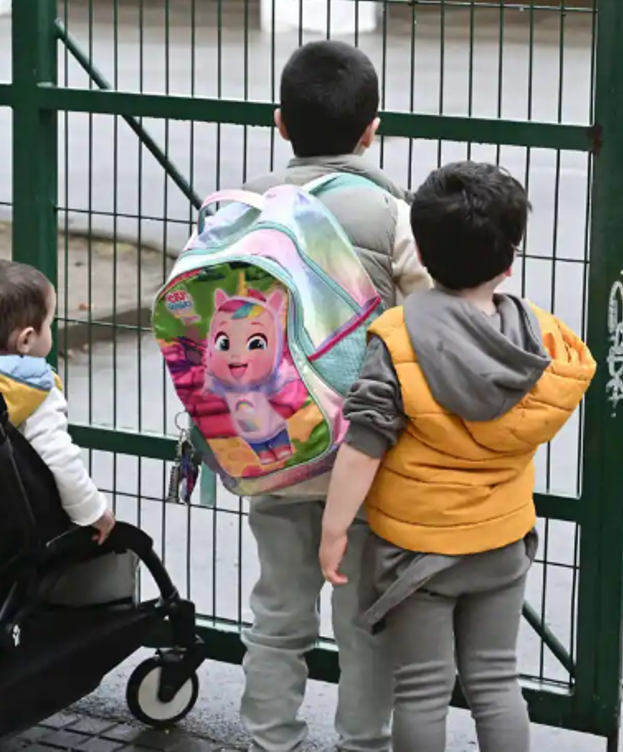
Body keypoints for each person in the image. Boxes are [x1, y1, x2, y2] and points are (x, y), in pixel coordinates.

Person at [318, 162, 596, 752]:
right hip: (501, 543)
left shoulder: (397, 338)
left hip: (420, 552)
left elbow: (365, 443)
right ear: (509, 260)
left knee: (421, 689)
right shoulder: (536, 338)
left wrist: (335, 527)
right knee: (497, 683)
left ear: (418, 250)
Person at [239, 40, 432, 752]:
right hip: (365, 455)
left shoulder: (246, 203)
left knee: (277, 617)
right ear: (372, 127)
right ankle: (362, 744)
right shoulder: (394, 216)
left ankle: (269, 741)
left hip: (270, 442)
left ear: (280, 122)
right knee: (364, 620)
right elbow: (425, 329)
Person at [0, 259, 116, 542]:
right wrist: (94, 512)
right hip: (11, 525)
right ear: (26, 340)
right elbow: (59, 459)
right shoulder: (33, 391)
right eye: (49, 325)